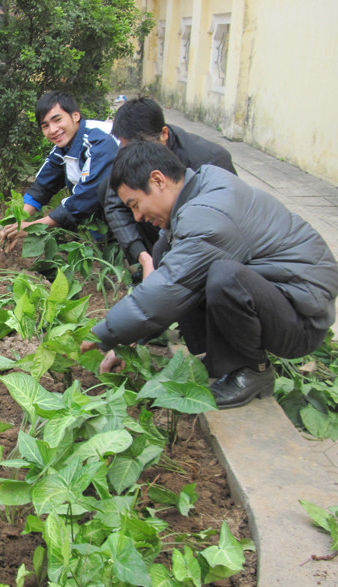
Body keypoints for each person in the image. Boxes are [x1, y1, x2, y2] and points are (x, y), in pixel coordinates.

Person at [80, 142, 338, 409]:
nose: (137, 216)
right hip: (279, 298)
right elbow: (167, 283)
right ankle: (224, 360)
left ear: (158, 180)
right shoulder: (198, 190)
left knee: (224, 277)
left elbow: (169, 287)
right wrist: (129, 340)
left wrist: (105, 335)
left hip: (301, 320)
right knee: (169, 257)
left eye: (135, 204)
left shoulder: (208, 214)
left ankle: (253, 371)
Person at [104, 97, 236, 280]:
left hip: (206, 245)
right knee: (107, 188)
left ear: (164, 134)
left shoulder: (209, 159)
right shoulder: (129, 151)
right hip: (163, 236)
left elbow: (225, 226)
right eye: (127, 146)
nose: (136, 154)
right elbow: (114, 205)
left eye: (143, 145)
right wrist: (143, 256)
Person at [0, 91, 119, 251]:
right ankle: (107, 248)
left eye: (57, 120)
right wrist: (17, 222)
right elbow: (42, 187)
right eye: (45, 126)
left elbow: (86, 197)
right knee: (106, 255)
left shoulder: (99, 141)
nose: (53, 130)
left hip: (137, 213)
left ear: (75, 116)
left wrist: (31, 228)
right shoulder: (64, 147)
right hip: (110, 214)